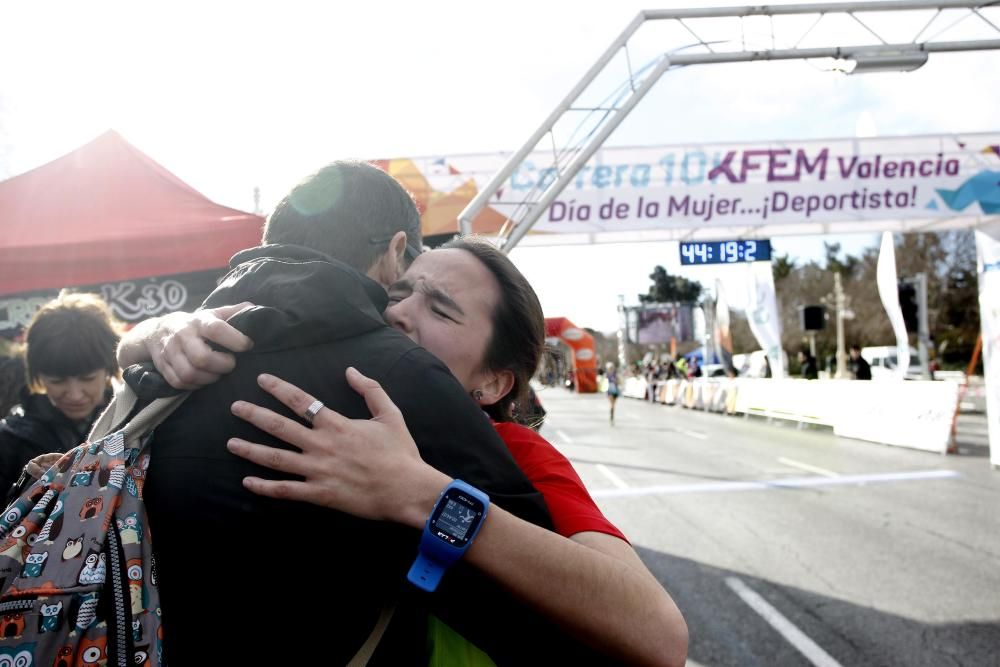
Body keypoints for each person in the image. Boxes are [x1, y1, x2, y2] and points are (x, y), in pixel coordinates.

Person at [116, 162, 594, 665]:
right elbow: (547, 621)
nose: (399, 314)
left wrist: (422, 495)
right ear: (393, 250)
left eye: (441, 309)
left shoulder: (174, 359)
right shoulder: (401, 376)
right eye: (401, 290)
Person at [0, 293, 119, 495]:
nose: (74, 395)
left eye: (87, 378)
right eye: (57, 381)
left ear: (109, 368)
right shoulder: (10, 440)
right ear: (38, 376)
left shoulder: (135, 425)